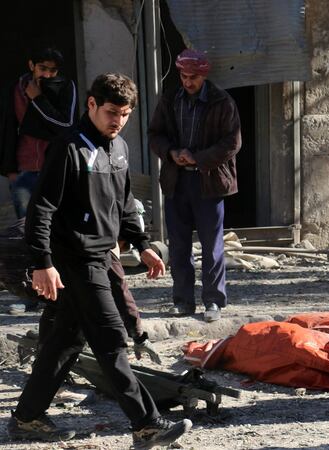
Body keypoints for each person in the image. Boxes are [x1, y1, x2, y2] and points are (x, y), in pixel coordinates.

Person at [8, 73, 191, 448]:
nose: (117, 121)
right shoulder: (69, 147)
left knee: (65, 341)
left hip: (103, 257)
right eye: (111, 112)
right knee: (110, 339)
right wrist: (43, 262)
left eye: (125, 114)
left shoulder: (119, 148)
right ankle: (147, 425)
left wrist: (142, 243)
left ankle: (26, 417)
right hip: (74, 259)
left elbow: (124, 203)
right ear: (90, 104)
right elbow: (41, 208)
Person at [149, 48, 241, 322]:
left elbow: (232, 143)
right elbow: (155, 133)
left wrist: (199, 158)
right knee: (178, 245)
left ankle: (213, 301)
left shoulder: (222, 102)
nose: (188, 82)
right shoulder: (170, 98)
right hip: (176, 180)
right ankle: (183, 301)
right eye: (184, 76)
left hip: (208, 181)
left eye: (193, 77)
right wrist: (171, 152)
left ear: (204, 75)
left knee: (212, 245)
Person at [0, 46, 77, 219]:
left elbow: (65, 125)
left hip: (55, 168)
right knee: (26, 227)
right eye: (42, 68)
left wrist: (38, 98)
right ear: (31, 65)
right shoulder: (16, 88)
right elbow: (8, 129)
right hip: (24, 169)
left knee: (57, 224)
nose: (47, 75)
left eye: (53, 70)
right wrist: (10, 170)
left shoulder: (65, 87)